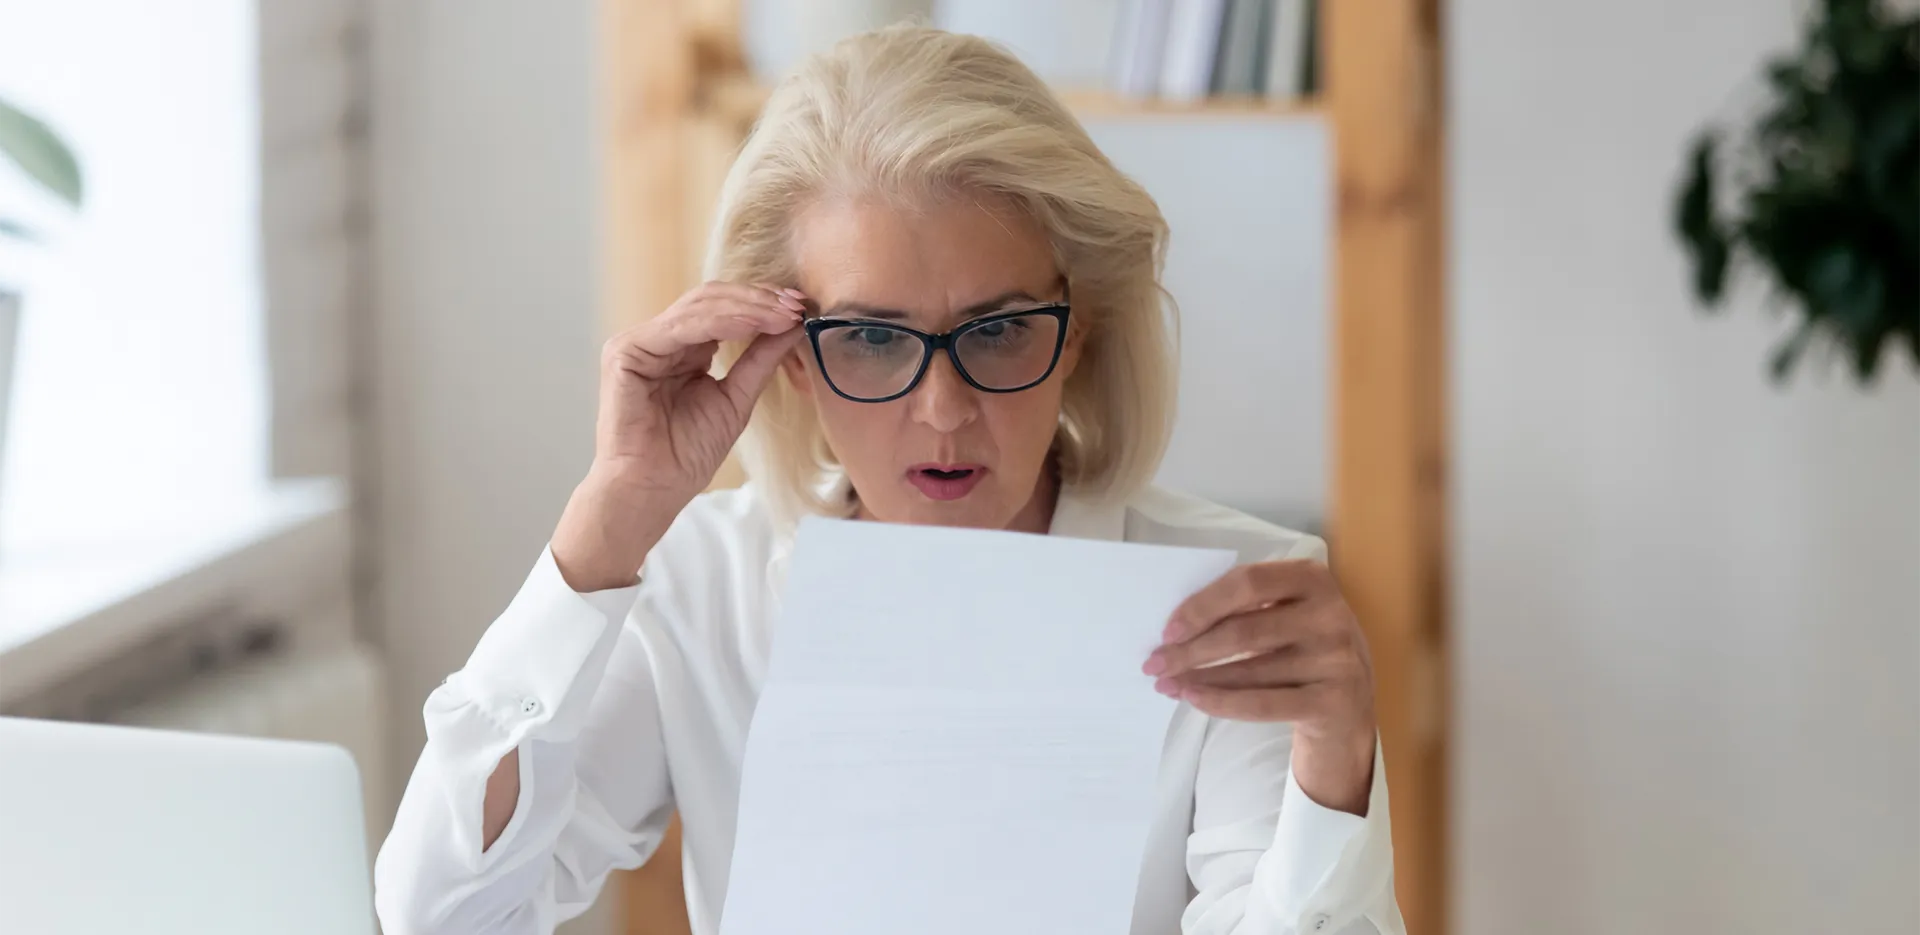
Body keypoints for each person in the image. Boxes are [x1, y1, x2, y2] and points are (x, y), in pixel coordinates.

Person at [374, 24, 1403, 935]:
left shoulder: (1230, 596)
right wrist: (601, 531)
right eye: (870, 336)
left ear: (1078, 328)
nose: (944, 409)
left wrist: (1334, 765)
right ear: (784, 347)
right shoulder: (701, 588)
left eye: (998, 330)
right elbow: (444, 917)